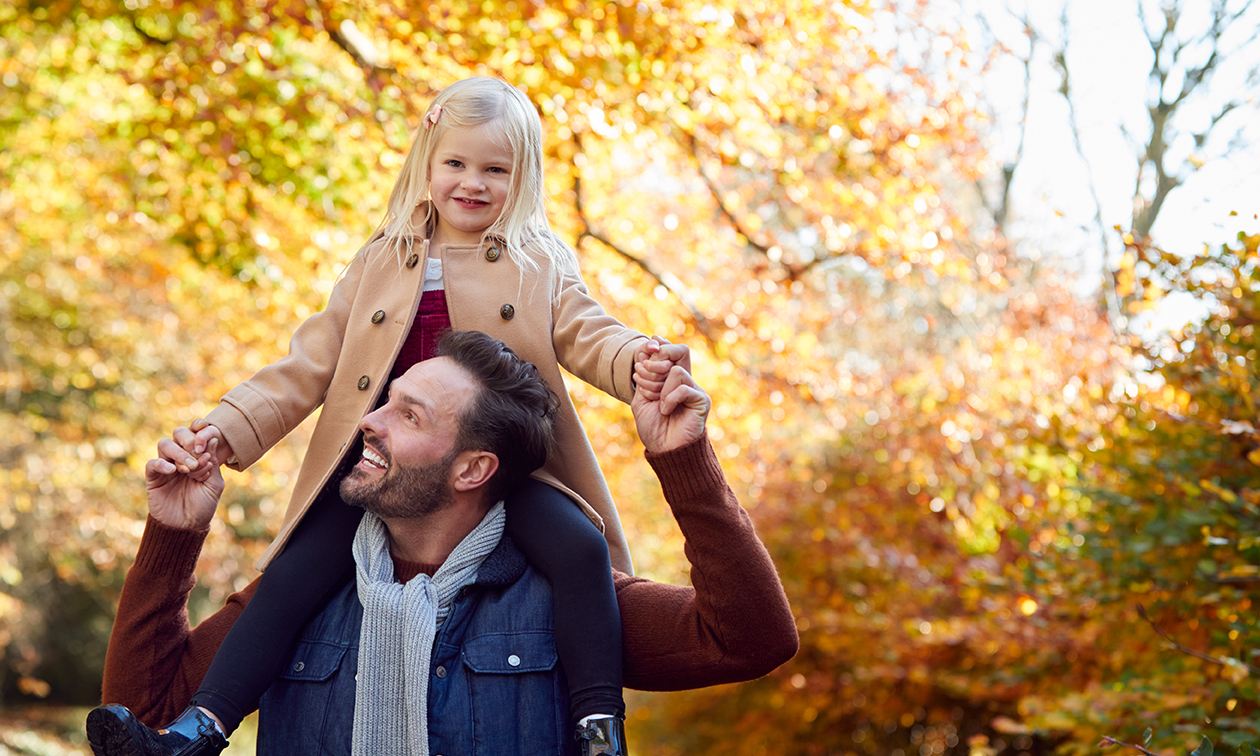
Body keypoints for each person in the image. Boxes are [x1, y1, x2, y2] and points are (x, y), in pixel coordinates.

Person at [140, 76, 690, 753]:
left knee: (578, 548)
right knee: (290, 577)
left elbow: (588, 332)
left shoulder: (537, 261)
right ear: (426, 164)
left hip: (503, 467)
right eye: (456, 164)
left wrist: (640, 360)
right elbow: (308, 363)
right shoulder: (380, 260)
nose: (473, 183)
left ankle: (598, 727)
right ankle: (203, 726)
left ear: (524, 178)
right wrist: (225, 429)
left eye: (496, 169)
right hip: (387, 460)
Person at [87, 330, 798, 756]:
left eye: (409, 414)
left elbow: (751, 639)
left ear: (472, 469)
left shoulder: (565, 602)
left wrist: (685, 459)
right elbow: (144, 724)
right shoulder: (294, 601)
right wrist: (175, 532)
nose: (371, 421)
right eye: (385, 398)